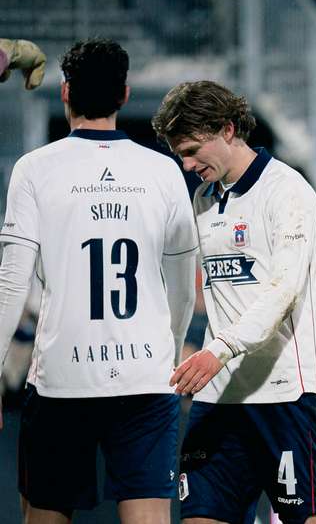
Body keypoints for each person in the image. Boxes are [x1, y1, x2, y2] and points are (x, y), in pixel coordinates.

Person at [0, 39, 197, 523]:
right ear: (125, 95)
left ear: (64, 92)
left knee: (46, 515)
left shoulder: (34, 170)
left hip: (64, 379)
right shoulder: (164, 171)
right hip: (145, 378)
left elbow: (11, 283)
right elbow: (184, 286)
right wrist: (167, 352)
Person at [151, 80, 316, 524]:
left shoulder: (288, 191)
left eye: (194, 150)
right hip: (220, 397)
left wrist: (219, 348)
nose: (189, 164)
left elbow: (283, 290)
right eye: (181, 156)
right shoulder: (203, 199)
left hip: (287, 391)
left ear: (228, 129)